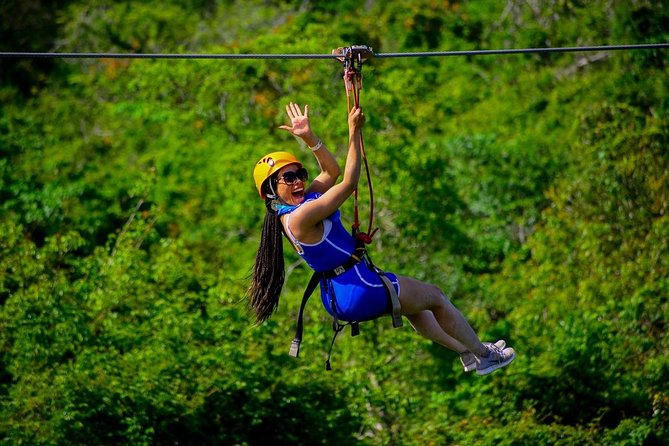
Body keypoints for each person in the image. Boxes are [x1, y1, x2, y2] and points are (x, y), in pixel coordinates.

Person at [249, 102, 515, 375]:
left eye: (300, 174)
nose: (298, 182)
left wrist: (310, 139)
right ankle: (484, 355)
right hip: (357, 285)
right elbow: (349, 183)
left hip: (340, 292)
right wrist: (354, 132)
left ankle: (466, 353)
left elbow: (331, 173)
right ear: (271, 190)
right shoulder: (300, 217)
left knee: (417, 307)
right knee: (435, 296)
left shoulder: (292, 209)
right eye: (288, 177)